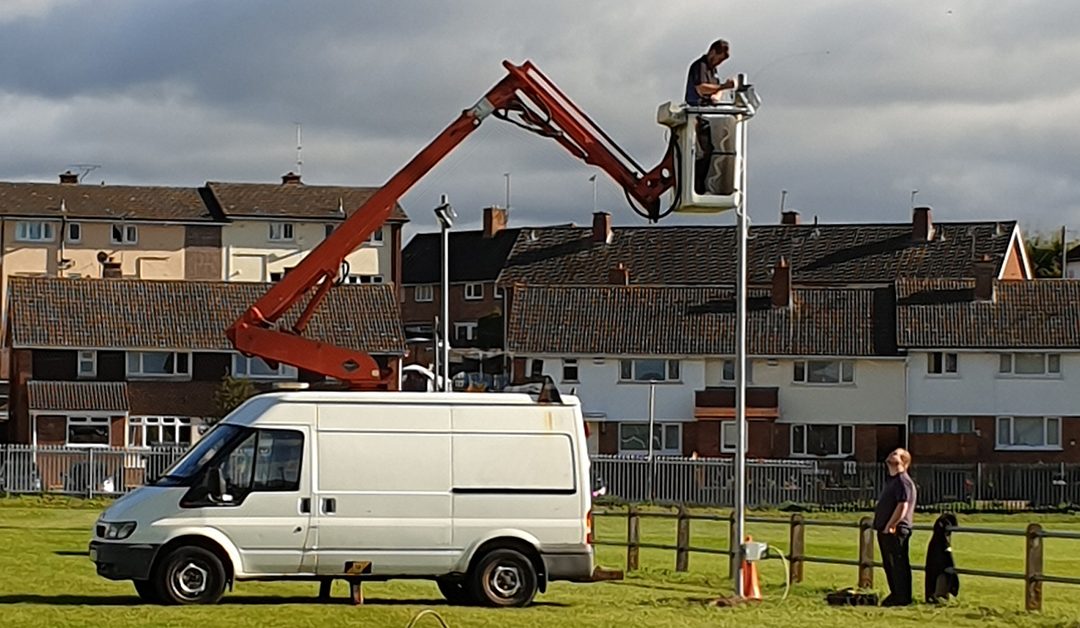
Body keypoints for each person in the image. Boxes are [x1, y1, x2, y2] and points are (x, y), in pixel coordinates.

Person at [684, 39, 737, 195]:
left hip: (709, 115)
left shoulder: (713, 71)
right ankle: (697, 186)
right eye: (718, 59)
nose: (718, 63)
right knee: (702, 151)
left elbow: (715, 88)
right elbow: (701, 88)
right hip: (698, 115)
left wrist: (718, 94)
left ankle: (706, 186)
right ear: (712, 52)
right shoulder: (700, 66)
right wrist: (723, 87)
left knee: (711, 150)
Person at [873, 448, 917, 606]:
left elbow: (902, 506)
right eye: (891, 453)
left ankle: (902, 597)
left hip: (896, 530)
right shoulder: (892, 480)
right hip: (886, 529)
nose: (891, 455)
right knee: (889, 564)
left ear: (904, 462)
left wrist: (891, 525)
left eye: (896, 454)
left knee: (898, 564)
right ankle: (895, 594)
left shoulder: (902, 481)